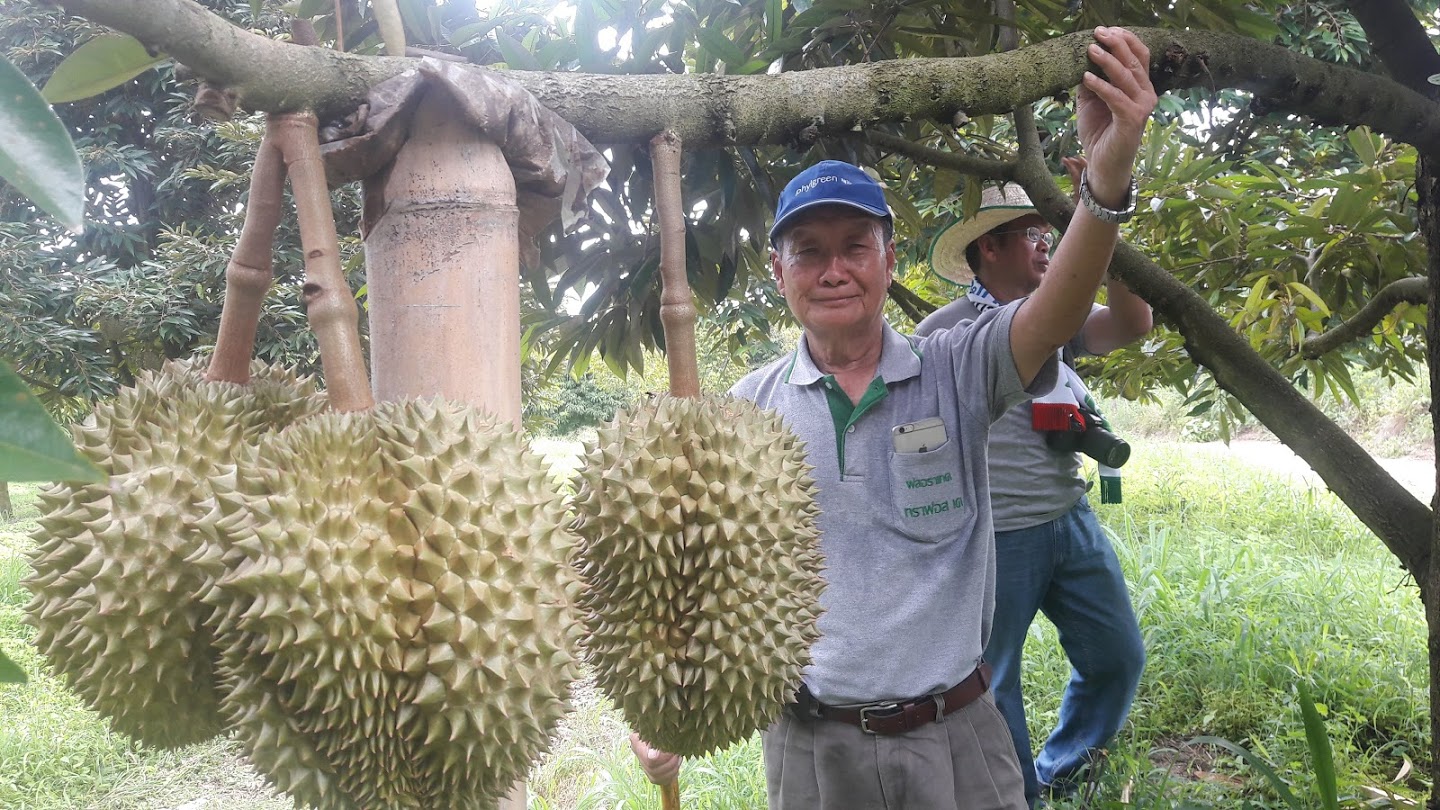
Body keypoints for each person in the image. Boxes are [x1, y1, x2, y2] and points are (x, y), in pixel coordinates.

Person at [630, 26, 1156, 810]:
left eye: (855, 245)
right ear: (779, 271)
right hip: (811, 745)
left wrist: (1106, 176)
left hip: (958, 735)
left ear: (888, 259)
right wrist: (666, 709)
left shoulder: (958, 367)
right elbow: (690, 580)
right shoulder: (745, 411)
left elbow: (1055, 313)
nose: (834, 269)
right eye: (808, 251)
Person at [915, 158, 1152, 805]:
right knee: (995, 684)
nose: (1046, 241)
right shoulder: (941, 334)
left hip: (1071, 521)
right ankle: (1020, 794)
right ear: (989, 248)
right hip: (996, 538)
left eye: (1049, 232)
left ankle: (1061, 770)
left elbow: (1134, 324)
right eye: (1030, 233)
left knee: (1117, 657)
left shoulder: (1061, 320)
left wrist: (1104, 223)